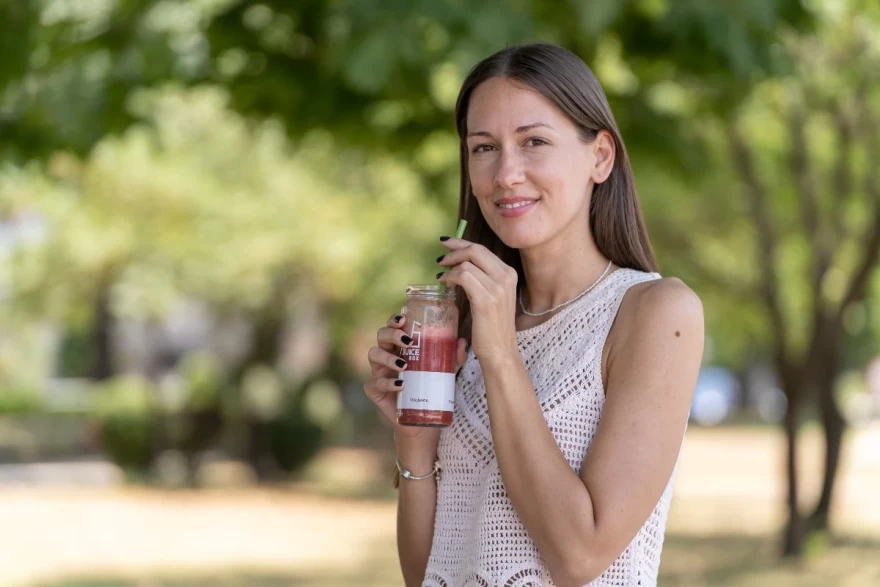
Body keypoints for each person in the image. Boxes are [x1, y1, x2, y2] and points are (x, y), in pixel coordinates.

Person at [364, 42, 704, 587]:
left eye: (534, 142)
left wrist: (500, 354)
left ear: (600, 157)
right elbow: (428, 573)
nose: (506, 174)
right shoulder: (464, 327)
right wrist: (415, 437)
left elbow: (581, 555)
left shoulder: (656, 313)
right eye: (483, 148)